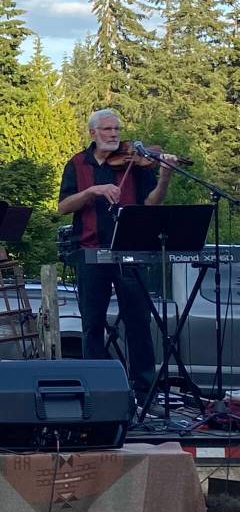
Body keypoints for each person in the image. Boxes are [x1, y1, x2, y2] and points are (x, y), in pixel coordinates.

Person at [57, 108, 176, 401]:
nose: (114, 135)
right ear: (93, 133)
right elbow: (63, 206)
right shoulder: (77, 164)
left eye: (117, 130)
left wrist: (164, 178)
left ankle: (144, 393)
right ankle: (97, 392)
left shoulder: (135, 164)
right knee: (92, 325)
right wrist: (93, 191)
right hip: (91, 251)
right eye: (108, 130)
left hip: (130, 251)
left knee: (138, 323)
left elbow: (151, 204)